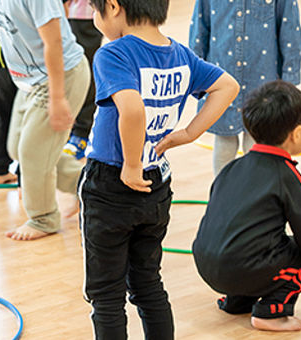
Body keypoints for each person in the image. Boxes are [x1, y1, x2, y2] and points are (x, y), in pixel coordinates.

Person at [78, 0, 239, 339]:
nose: (95, 20)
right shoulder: (179, 54)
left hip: (112, 183)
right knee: (148, 284)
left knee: (106, 294)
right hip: (156, 183)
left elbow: (132, 109)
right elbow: (228, 87)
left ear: (113, 6)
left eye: (96, 10)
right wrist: (189, 133)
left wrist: (131, 165)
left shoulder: (113, 53)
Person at [193, 80, 301, 332]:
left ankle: (237, 301)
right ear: (296, 133)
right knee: (298, 256)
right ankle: (271, 312)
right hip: (240, 268)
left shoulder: (233, 167)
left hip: (206, 265)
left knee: (252, 243)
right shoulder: (287, 176)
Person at [0, 0, 90, 241]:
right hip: (30, 82)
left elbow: (54, 42)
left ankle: (44, 218)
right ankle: (87, 186)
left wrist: (57, 97)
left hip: (60, 77)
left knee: (32, 152)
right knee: (17, 148)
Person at [190, 0, 301, 175]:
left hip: (263, 81)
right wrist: (196, 75)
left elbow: (290, 33)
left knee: (258, 140)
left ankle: (254, 196)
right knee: (224, 140)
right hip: (222, 81)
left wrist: (289, 78)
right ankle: (222, 193)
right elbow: (199, 30)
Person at [62, 0, 103, 160]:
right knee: (66, 72)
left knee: (85, 71)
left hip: (84, 13)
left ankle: (82, 132)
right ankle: (71, 128)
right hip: (58, 12)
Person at [0, 18, 18, 184]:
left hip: (2, 51)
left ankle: (0, 170)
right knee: (28, 112)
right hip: (25, 59)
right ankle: (23, 176)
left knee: (2, 108)